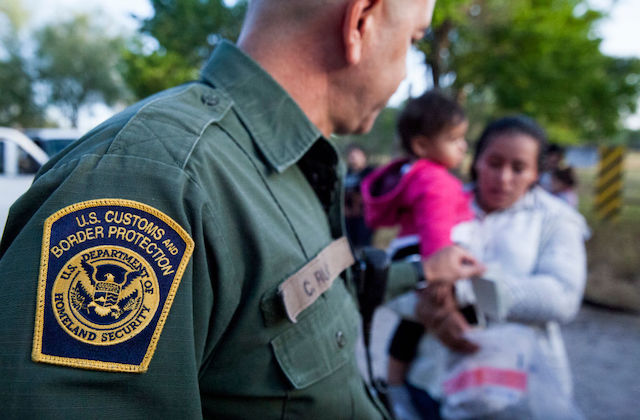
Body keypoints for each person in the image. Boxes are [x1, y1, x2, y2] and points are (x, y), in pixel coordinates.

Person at [0, 0, 485, 418]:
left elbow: (293, 301)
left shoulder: (288, 165)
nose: (404, 75)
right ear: (360, 22)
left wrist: (420, 272)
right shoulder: (153, 180)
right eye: (413, 40)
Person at [409, 116, 589, 419]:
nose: (504, 178)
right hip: (434, 376)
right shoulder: (437, 203)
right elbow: (400, 269)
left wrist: (462, 290)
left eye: (519, 168)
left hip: (519, 387)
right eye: (494, 163)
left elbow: (563, 296)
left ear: (535, 173)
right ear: (476, 161)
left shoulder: (555, 219)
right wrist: (425, 308)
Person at [360, 90, 473, 418]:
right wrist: (440, 273)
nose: (462, 146)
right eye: (454, 138)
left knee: (410, 327)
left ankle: (394, 385)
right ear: (423, 145)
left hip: (409, 252)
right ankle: (403, 394)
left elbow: (382, 218)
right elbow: (436, 227)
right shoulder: (436, 180)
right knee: (442, 319)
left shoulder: (412, 175)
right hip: (431, 256)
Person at [344, 144, 375, 251]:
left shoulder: (371, 173)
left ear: (364, 157)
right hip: (348, 217)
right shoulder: (345, 174)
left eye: (356, 155)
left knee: (364, 245)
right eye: (351, 156)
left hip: (364, 216)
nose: (353, 158)